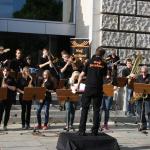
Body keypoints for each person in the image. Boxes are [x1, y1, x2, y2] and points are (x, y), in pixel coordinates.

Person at [75, 47, 107, 136]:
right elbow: (105, 77)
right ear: (102, 54)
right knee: (96, 110)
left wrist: (77, 85)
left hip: (88, 88)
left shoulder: (89, 62)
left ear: (95, 52)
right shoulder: (104, 63)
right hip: (98, 89)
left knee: (84, 109)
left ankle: (82, 130)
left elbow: (81, 75)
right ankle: (94, 131)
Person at [135, 66, 150, 131]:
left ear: (147, 71)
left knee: (149, 111)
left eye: (145, 72)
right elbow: (135, 85)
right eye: (142, 72)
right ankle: (143, 125)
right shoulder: (139, 77)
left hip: (148, 97)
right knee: (139, 111)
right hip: (139, 96)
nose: (143, 73)